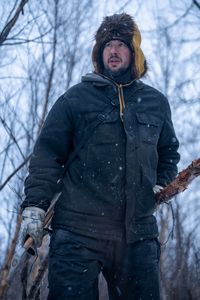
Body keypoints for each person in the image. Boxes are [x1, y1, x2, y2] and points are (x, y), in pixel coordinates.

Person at [21, 13, 180, 300]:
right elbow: (47, 155)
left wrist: (160, 184)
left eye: (121, 44)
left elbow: (168, 151)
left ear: (134, 52)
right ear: (99, 53)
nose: (114, 50)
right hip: (77, 232)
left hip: (138, 233)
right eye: (107, 45)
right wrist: (35, 206)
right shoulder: (75, 99)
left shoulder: (155, 103)